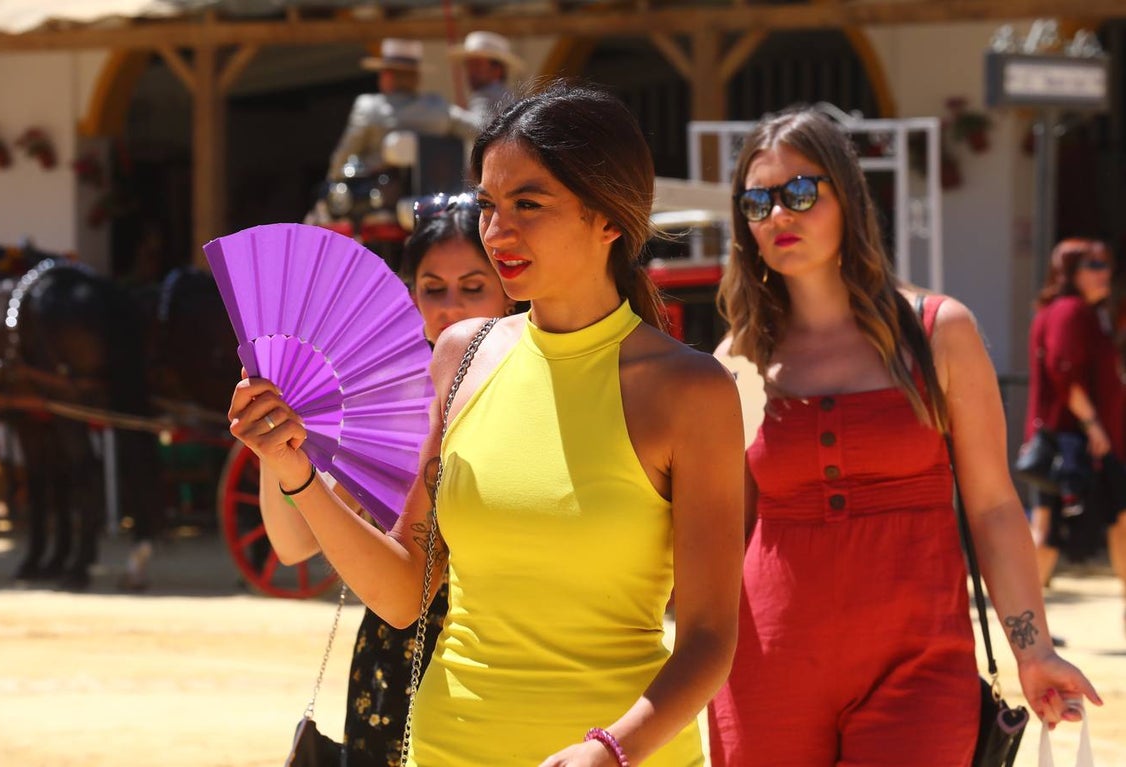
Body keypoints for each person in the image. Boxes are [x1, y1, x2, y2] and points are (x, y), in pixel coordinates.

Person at [230, 80, 745, 766]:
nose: (497, 232)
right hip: (449, 747)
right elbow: (406, 590)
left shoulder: (691, 390)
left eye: (527, 205)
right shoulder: (462, 356)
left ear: (610, 218)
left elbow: (711, 637)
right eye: (488, 206)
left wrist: (613, 749)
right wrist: (295, 468)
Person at [707, 105, 1100, 766]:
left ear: (848, 198)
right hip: (766, 665)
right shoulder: (738, 358)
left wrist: (1032, 648)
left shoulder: (937, 330)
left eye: (800, 192)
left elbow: (996, 505)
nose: (778, 215)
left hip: (919, 667)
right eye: (756, 201)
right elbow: (726, 531)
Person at [257, 195, 515, 766]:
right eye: (433, 288)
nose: (451, 308)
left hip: (502, 663)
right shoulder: (384, 406)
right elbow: (292, 543)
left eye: (473, 288)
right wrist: (270, 443)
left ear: (509, 288)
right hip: (393, 662)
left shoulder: (537, 398)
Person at [1025, 238, 1126, 632]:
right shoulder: (1069, 311)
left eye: (1106, 263)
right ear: (1071, 271)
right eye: (1094, 264)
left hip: (1085, 441)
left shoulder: (1085, 312)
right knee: (1047, 530)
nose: (1105, 272)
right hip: (1070, 443)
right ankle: (1030, 623)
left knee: (1117, 519)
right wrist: (1093, 425)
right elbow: (1063, 371)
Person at [324, 38, 478, 182]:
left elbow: (342, 159)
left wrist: (332, 180)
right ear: (417, 77)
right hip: (433, 200)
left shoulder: (368, 108)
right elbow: (477, 129)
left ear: (388, 75)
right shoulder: (438, 108)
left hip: (380, 200)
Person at [447, 30, 524, 127]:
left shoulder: (490, 93)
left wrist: (449, 113)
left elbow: (481, 128)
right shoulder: (504, 94)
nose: (471, 70)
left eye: (477, 64)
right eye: (468, 65)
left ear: (497, 70)